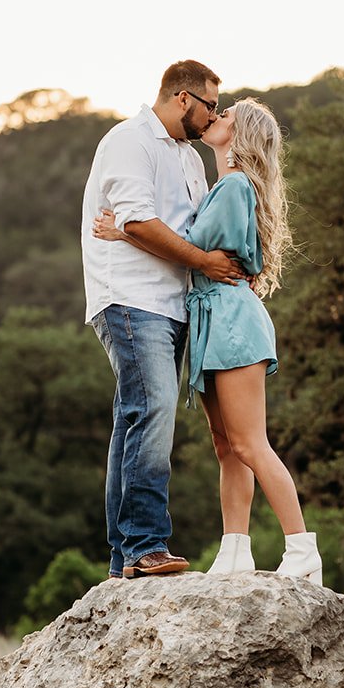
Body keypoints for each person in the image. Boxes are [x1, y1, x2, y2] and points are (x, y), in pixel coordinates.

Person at [96, 97, 322, 585]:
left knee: (250, 443)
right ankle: (235, 550)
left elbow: (194, 252)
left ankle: (302, 549)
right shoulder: (222, 186)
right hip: (212, 322)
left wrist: (124, 232)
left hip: (232, 322)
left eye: (226, 115)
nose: (215, 118)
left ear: (240, 137)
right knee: (226, 445)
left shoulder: (235, 186)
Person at [81, 61, 247, 580]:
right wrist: (202, 262)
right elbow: (139, 218)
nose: (213, 115)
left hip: (173, 303)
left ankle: (123, 559)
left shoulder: (189, 159)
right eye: (210, 106)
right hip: (131, 299)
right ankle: (146, 545)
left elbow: (190, 228)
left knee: (134, 418)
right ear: (182, 98)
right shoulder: (130, 141)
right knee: (153, 411)